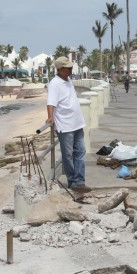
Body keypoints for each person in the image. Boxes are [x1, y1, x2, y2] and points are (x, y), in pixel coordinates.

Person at [46, 56, 91, 193]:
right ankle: (73, 181)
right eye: (68, 68)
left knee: (81, 152)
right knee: (68, 155)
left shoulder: (68, 79)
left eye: (71, 67)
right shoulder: (54, 84)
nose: (71, 69)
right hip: (65, 125)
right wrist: (50, 117)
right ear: (60, 69)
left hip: (77, 123)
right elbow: (50, 103)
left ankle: (79, 181)